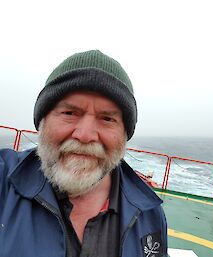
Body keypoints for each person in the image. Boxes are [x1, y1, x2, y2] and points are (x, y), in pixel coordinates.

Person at [0, 50, 168, 257]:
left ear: (124, 133)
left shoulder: (150, 214)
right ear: (42, 122)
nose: (85, 135)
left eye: (107, 119)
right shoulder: (3, 182)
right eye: (69, 113)